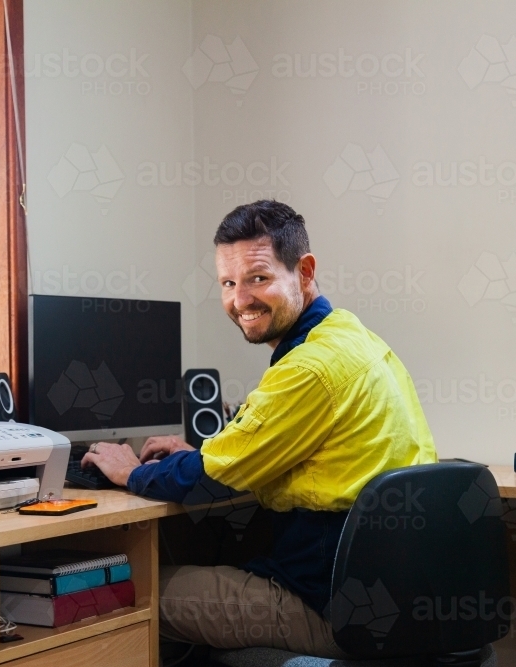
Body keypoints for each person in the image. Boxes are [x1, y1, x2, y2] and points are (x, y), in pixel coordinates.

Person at [81, 199, 437, 658]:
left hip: (327, 612)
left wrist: (131, 472)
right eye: (228, 283)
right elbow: (271, 452)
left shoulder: (308, 368)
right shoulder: (355, 338)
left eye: (258, 279)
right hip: (389, 605)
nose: (239, 300)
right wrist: (204, 453)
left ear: (304, 272)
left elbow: (212, 477)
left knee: (141, 589)